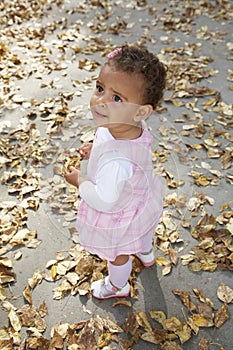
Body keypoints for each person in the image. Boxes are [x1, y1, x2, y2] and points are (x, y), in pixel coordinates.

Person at [65, 43, 167, 299]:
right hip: (142, 199)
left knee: (118, 253)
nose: (100, 101)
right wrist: (94, 147)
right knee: (143, 230)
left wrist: (80, 181)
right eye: (100, 88)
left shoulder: (117, 163)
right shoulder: (128, 124)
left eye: (116, 98)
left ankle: (117, 285)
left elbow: (104, 199)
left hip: (120, 211)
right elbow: (109, 140)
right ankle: (145, 252)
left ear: (140, 111)